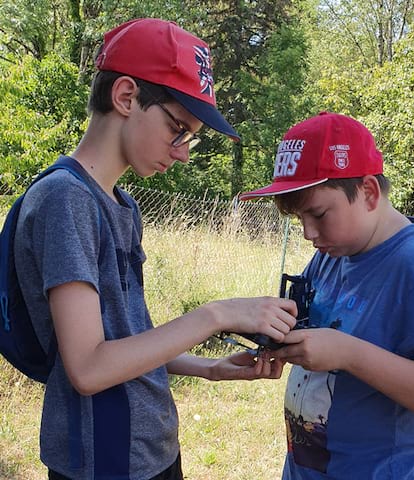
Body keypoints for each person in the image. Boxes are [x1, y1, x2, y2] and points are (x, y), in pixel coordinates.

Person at [14, 18, 296, 480]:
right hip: (105, 459)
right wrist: (216, 314)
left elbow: (126, 342)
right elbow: (87, 367)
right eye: (177, 128)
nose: (183, 151)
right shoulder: (64, 200)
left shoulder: (122, 206)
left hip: (150, 450)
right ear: (125, 97)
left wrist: (206, 368)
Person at [239, 111, 414, 479]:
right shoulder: (332, 253)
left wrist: (349, 354)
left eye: (319, 214)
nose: (308, 234)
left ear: (368, 192)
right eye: (299, 219)